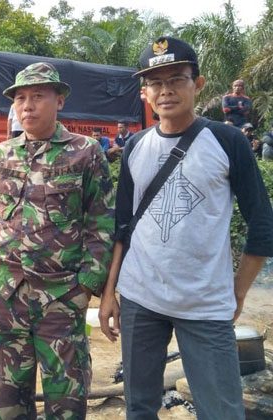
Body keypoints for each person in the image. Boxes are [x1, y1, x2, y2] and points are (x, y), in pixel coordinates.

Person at [98, 36, 273, 420]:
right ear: (145, 93)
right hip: (140, 299)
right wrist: (110, 294)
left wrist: (237, 291)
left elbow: (262, 224)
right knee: (139, 406)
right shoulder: (135, 147)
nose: (166, 90)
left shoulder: (227, 141)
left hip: (205, 305)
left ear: (199, 84)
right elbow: (122, 227)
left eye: (176, 79)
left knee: (222, 410)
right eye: (155, 83)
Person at [0, 62, 115, 419]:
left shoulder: (85, 152)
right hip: (4, 290)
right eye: (20, 98)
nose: (27, 106)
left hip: (60, 294)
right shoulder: (1, 155)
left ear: (59, 100)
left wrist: (87, 284)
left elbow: (102, 221)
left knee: (67, 393)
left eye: (38, 96)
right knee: (9, 391)